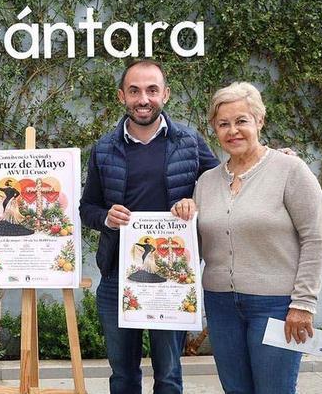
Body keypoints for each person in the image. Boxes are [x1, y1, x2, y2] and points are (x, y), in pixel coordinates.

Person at [171, 82, 322, 394]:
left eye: (241, 120)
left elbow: (315, 239)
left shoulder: (290, 170)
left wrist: (304, 304)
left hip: (276, 305)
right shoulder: (206, 182)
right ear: (215, 129)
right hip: (221, 305)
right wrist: (182, 217)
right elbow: (196, 248)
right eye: (223, 124)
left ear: (259, 120)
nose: (233, 131)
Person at [79, 59, 219, 394]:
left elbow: (223, 188)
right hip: (117, 277)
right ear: (121, 96)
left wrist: (194, 203)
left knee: (169, 375)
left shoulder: (190, 142)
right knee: (123, 375)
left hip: (172, 278)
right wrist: (106, 217)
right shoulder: (104, 149)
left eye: (152, 90)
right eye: (134, 91)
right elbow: (87, 208)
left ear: (165, 94)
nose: (143, 99)